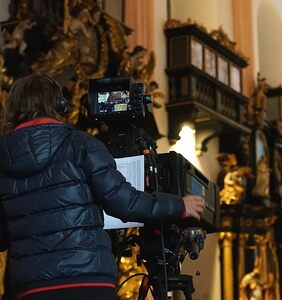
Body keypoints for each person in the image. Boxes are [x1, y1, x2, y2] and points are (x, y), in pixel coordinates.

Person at [0, 73, 205, 300]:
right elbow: (126, 204)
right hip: (87, 278)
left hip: (30, 287)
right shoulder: (80, 144)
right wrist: (179, 205)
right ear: (59, 104)